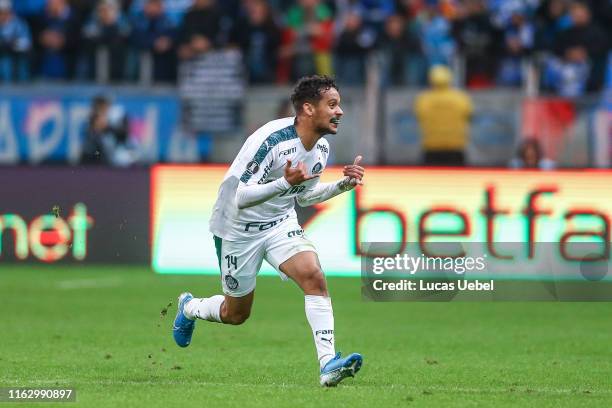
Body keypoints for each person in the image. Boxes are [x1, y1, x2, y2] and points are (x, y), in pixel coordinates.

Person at [172, 75, 364, 387]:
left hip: (279, 223)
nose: (339, 111)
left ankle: (328, 364)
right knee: (236, 314)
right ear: (308, 109)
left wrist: (342, 186)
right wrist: (284, 182)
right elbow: (240, 197)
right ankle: (190, 307)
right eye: (332, 104)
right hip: (237, 228)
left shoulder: (321, 149)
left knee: (313, 276)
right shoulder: (271, 141)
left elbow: (304, 196)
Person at [415, 65, 473, 166]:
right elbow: (469, 117)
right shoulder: (461, 98)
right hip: (455, 147)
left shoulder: (424, 99)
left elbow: (420, 117)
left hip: (431, 147)